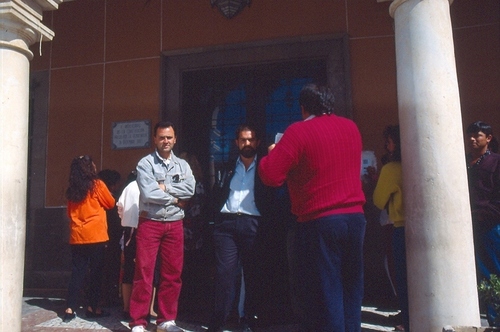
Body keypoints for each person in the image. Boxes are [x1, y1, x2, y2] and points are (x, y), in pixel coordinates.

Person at [258, 83, 366, 332]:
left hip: (320, 219)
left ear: (303, 108)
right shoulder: (351, 127)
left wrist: (271, 153)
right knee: (351, 289)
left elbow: (271, 176)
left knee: (324, 292)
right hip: (355, 217)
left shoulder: (298, 132)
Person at [129, 121, 195, 332]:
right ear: (155, 139)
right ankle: (138, 321)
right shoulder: (145, 164)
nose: (165, 141)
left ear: (175, 139)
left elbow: (190, 189)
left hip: (175, 224)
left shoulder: (183, 165)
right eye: (161, 137)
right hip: (151, 222)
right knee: (144, 273)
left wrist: (165, 187)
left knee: (172, 274)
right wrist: (176, 199)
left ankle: (166, 320)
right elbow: (149, 193)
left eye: (169, 137)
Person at [207, 124, 272, 332]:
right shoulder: (227, 167)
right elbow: (216, 193)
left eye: (251, 140)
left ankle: (247, 320)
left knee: (252, 275)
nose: (247, 144)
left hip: (253, 224)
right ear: (236, 143)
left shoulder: (264, 167)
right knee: (225, 274)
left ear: (257, 142)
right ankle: (219, 321)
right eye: (243, 140)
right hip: (226, 225)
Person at [63, 155, 115, 322]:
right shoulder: (97, 185)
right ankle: (93, 307)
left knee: (77, 273)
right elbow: (110, 203)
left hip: (77, 236)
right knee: (96, 273)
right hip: (96, 236)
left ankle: (70, 308)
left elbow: (68, 213)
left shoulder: (72, 190)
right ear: (89, 167)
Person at [372, 125, 408, 331]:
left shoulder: (391, 169)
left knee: (402, 278)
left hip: (400, 227)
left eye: (389, 141)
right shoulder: (416, 164)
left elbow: (378, 200)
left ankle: (408, 321)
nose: (386, 145)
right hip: (421, 228)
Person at [465, 121, 500, 325]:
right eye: (470, 135)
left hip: (489, 225)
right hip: (468, 225)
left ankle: (496, 320)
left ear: (488, 138)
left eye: (477, 135)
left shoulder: (495, 161)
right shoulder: (466, 162)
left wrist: (485, 214)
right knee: (478, 274)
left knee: (492, 273)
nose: (472, 139)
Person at [98, 169, 123, 308]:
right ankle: (109, 297)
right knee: (110, 269)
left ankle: (104, 296)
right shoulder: (110, 200)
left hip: (102, 238)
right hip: (111, 238)